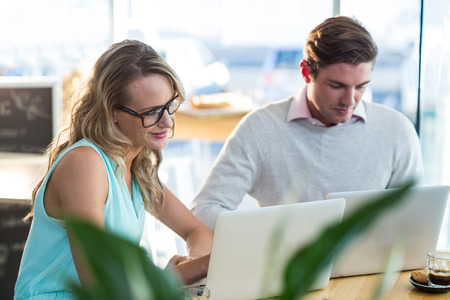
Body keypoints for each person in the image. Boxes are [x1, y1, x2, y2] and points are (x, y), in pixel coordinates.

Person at [14, 40, 213, 299]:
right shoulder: (85, 163)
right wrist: (200, 266)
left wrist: (190, 262)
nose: (167, 121)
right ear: (113, 113)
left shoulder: (138, 169)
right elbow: (102, 283)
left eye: (169, 105)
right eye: (151, 112)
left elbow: (196, 231)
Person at [190, 16, 424, 230]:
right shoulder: (260, 129)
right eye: (337, 85)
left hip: (374, 273)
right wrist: (262, 237)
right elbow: (204, 210)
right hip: (288, 273)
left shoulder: (397, 131)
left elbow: (415, 219)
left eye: (361, 86)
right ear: (305, 72)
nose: (349, 100)